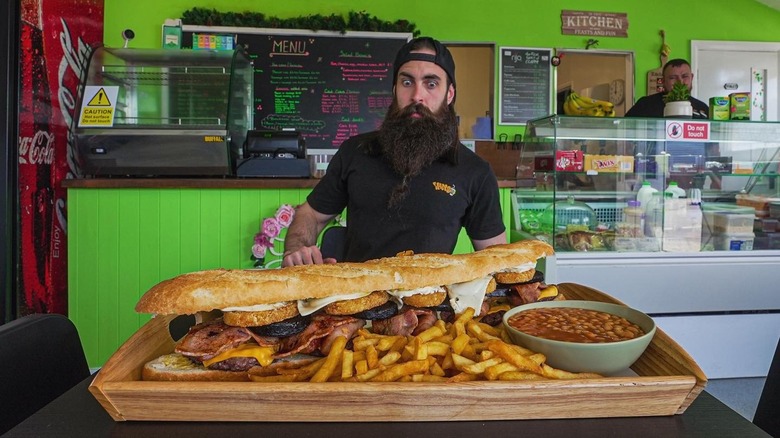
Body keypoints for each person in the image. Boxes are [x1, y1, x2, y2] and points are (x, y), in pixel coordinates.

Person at [282, 37, 506, 266]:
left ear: (449, 94)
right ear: (394, 90)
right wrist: (297, 249)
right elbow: (310, 215)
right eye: (407, 83)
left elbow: (496, 259)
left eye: (431, 84)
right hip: (357, 297)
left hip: (429, 299)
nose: (417, 95)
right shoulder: (355, 152)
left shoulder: (475, 172)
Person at [625, 58, 709, 119]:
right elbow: (625, 129)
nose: (680, 82)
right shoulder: (645, 104)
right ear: (663, 81)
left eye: (685, 76)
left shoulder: (702, 108)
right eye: (673, 78)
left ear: (692, 78)